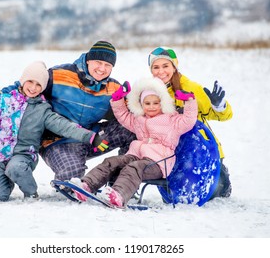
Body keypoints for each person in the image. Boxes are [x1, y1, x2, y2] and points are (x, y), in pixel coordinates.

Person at [0, 61, 108, 202]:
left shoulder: (43, 110)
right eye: (30, 82)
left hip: (24, 154)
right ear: (23, 81)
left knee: (16, 167)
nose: (33, 87)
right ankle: (4, 182)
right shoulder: (4, 101)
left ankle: (31, 194)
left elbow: (65, 126)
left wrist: (91, 137)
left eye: (39, 84)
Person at [0, 41, 136, 182]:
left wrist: (137, 103)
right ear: (89, 60)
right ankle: (69, 179)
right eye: (98, 62)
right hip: (57, 142)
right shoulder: (59, 75)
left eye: (108, 65)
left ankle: (119, 183)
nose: (102, 68)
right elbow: (23, 87)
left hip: (92, 138)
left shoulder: (113, 88)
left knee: (131, 128)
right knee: (71, 175)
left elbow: (127, 114)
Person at [71, 77, 198, 207]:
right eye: (147, 103)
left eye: (156, 103)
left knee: (134, 168)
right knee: (112, 161)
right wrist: (118, 100)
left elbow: (189, 120)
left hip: (158, 162)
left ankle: (118, 195)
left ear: (163, 103)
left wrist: (189, 101)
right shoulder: (139, 120)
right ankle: (87, 185)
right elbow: (123, 116)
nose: (152, 107)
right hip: (135, 156)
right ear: (141, 105)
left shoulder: (172, 121)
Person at [147, 46, 233, 199]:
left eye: (165, 66)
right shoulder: (152, 92)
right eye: (156, 67)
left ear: (174, 66)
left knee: (214, 195)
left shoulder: (190, 88)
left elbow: (222, 116)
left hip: (204, 151)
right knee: (180, 199)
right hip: (175, 154)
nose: (161, 71)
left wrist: (219, 106)